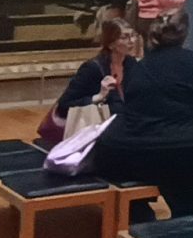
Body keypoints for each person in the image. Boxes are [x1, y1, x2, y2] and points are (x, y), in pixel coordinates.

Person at [88, 10, 193, 220]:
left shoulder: (139, 68)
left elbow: (130, 107)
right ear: (185, 33)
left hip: (134, 152)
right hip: (190, 149)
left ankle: (137, 217)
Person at [37, 15, 136, 145]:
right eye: (124, 37)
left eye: (133, 35)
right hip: (95, 134)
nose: (132, 41)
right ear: (111, 44)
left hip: (123, 129)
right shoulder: (92, 68)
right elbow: (64, 105)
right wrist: (98, 96)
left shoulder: (131, 64)